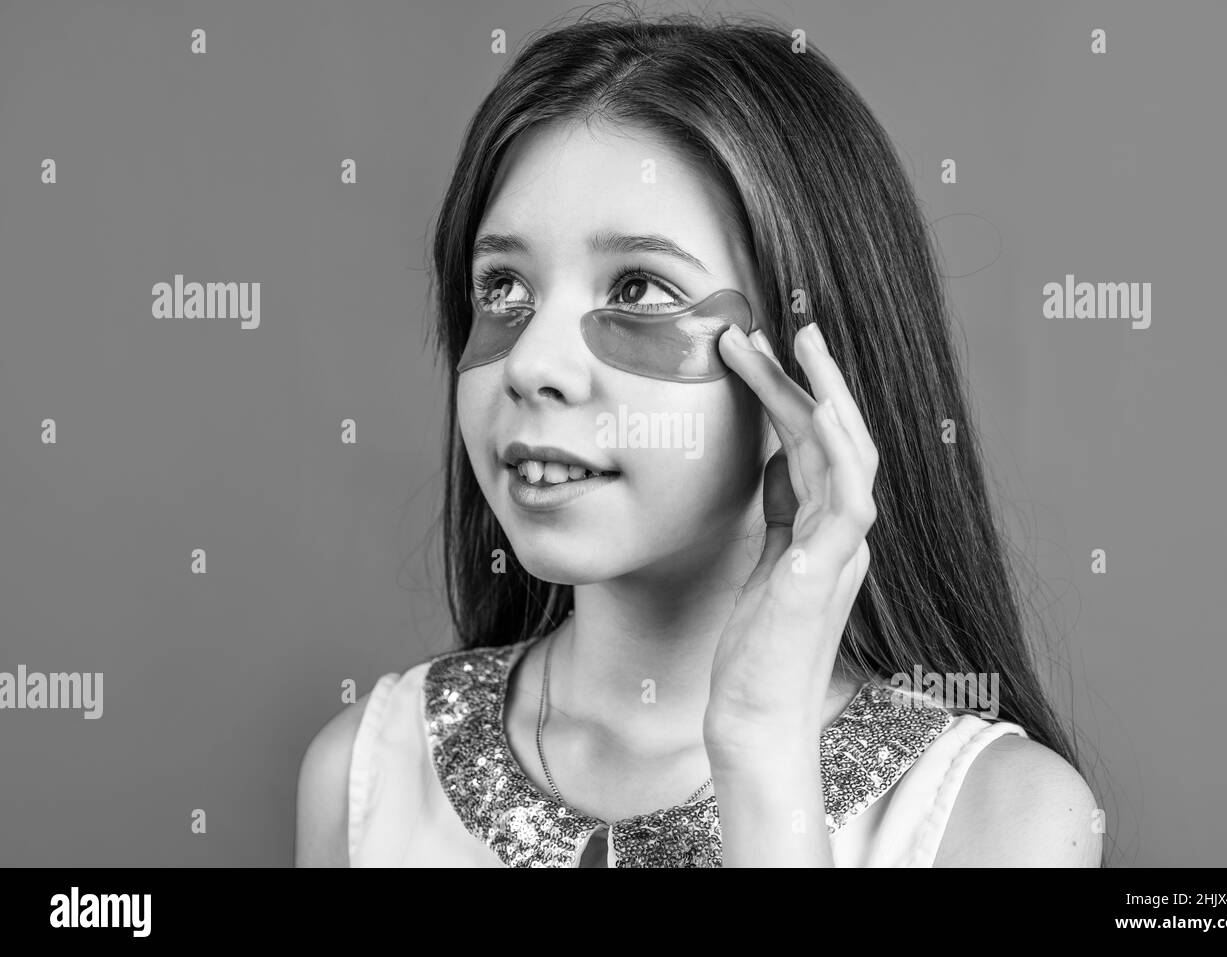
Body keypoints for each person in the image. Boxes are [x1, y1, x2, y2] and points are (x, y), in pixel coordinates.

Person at [296, 6, 1102, 867]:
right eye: (502, 287)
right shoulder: (366, 774)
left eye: (639, 289)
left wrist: (761, 746)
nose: (531, 363)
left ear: (807, 370)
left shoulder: (1002, 818)